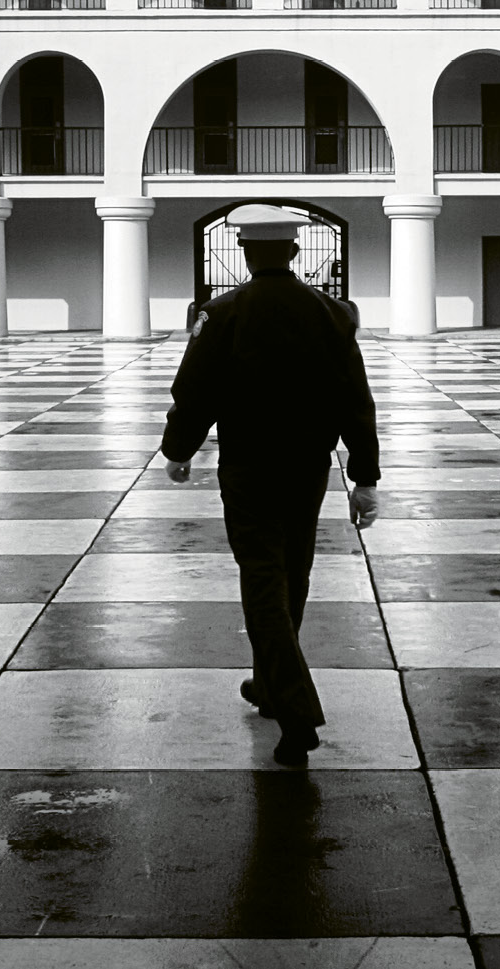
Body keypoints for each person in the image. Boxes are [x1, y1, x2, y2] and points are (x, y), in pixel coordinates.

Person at [161, 205, 380, 766]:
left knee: (262, 580)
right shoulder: (332, 315)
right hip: (307, 469)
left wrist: (178, 450)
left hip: (248, 468)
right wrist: (363, 478)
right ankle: (268, 684)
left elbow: (195, 391)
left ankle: (295, 708)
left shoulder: (224, 313)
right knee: (292, 575)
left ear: (245, 253)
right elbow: (355, 400)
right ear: (294, 252)